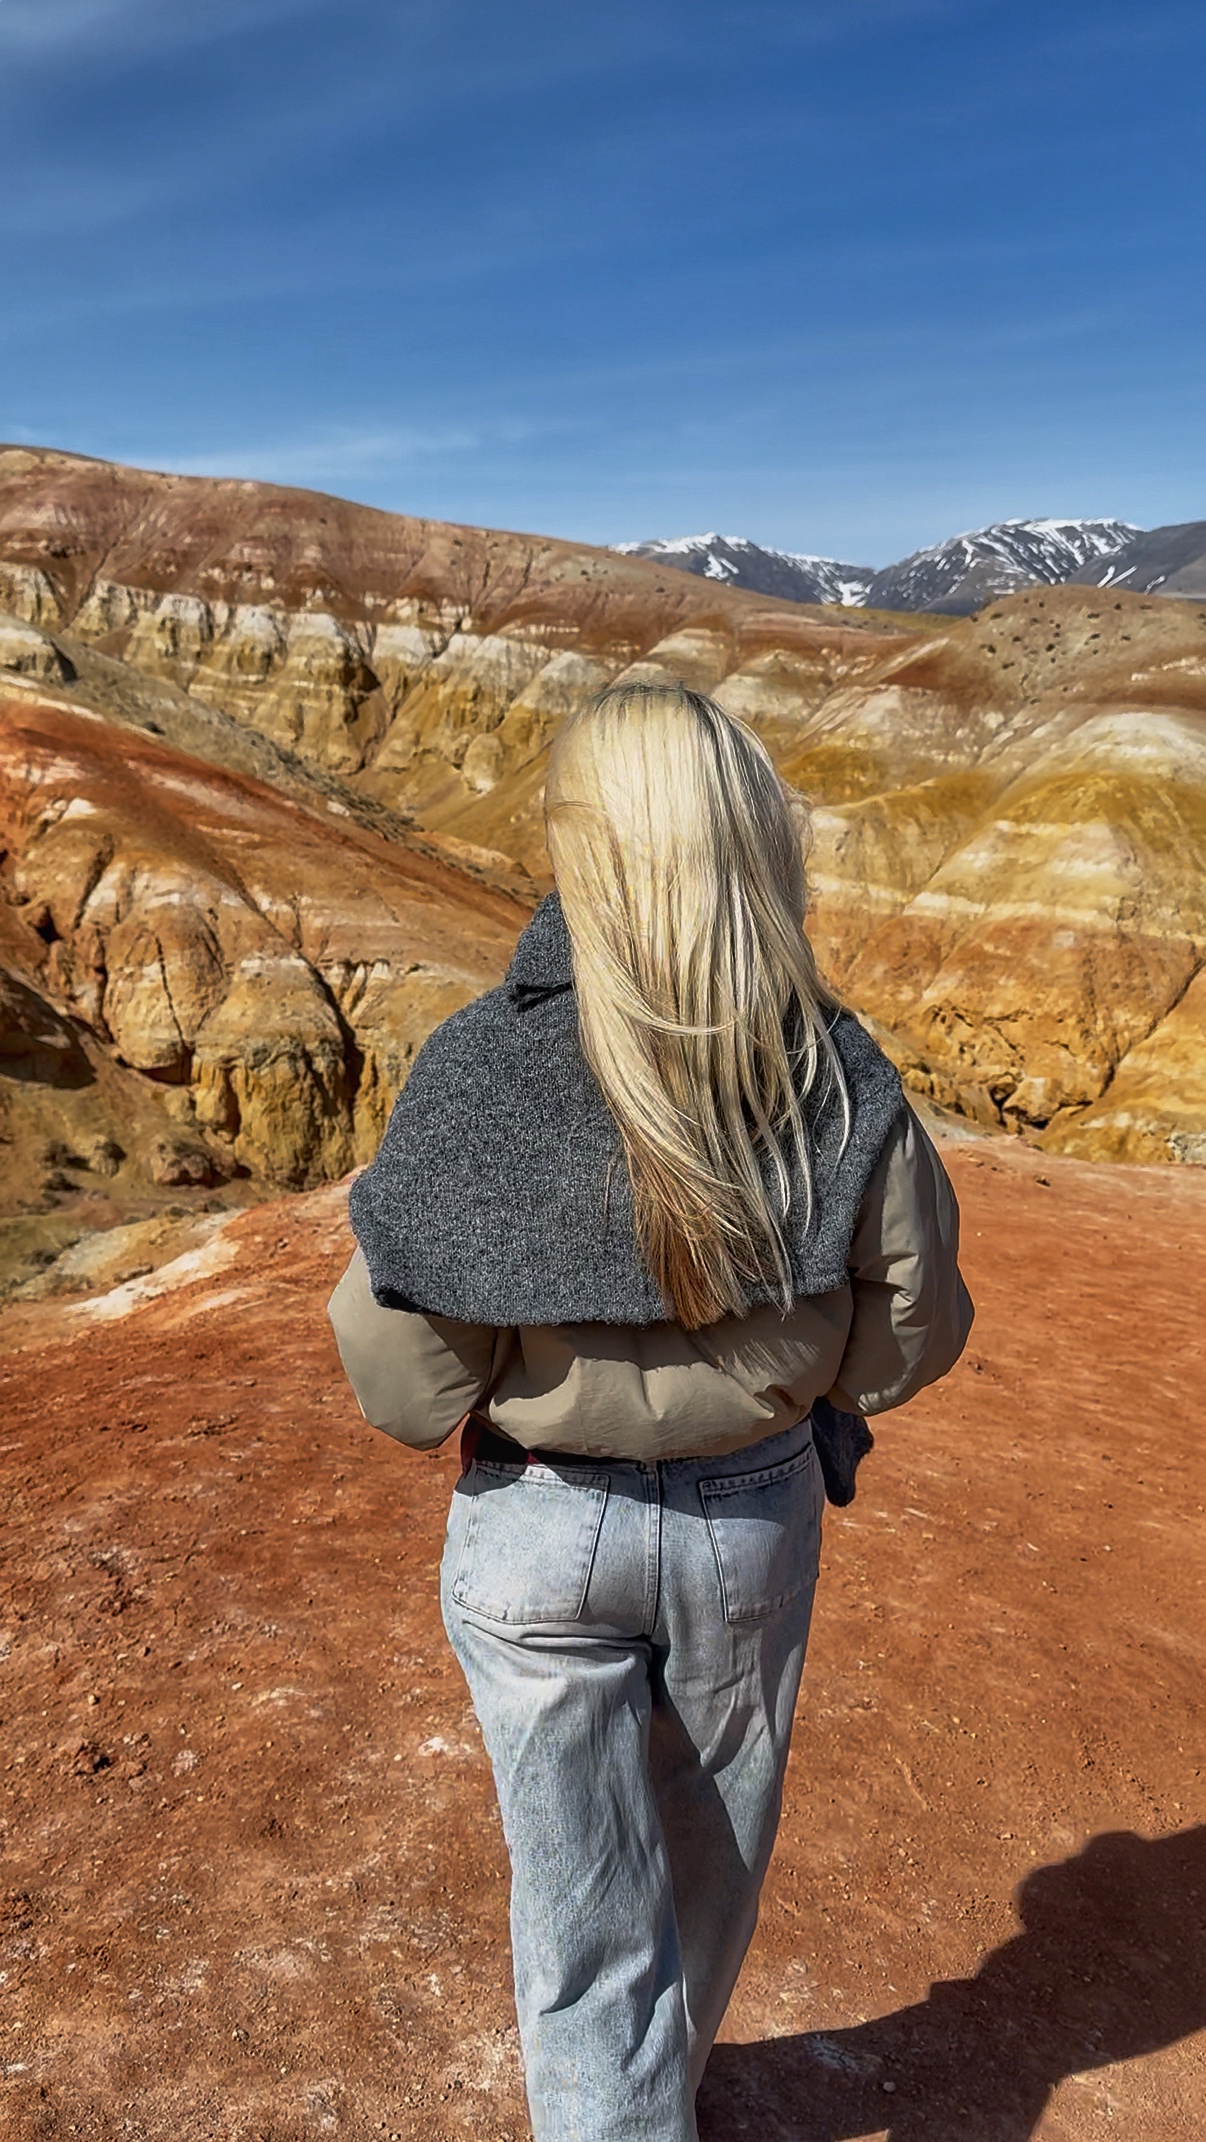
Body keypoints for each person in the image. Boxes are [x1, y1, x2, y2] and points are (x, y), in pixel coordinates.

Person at [328, 681, 973, 2142]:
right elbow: (913, 1322)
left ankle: (614, 2109)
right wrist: (799, 1389)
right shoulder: (836, 1067)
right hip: (751, 1512)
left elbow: (400, 1380)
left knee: (579, 1911)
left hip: (533, 1529)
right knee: (702, 1860)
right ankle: (644, 2100)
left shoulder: (479, 1064)